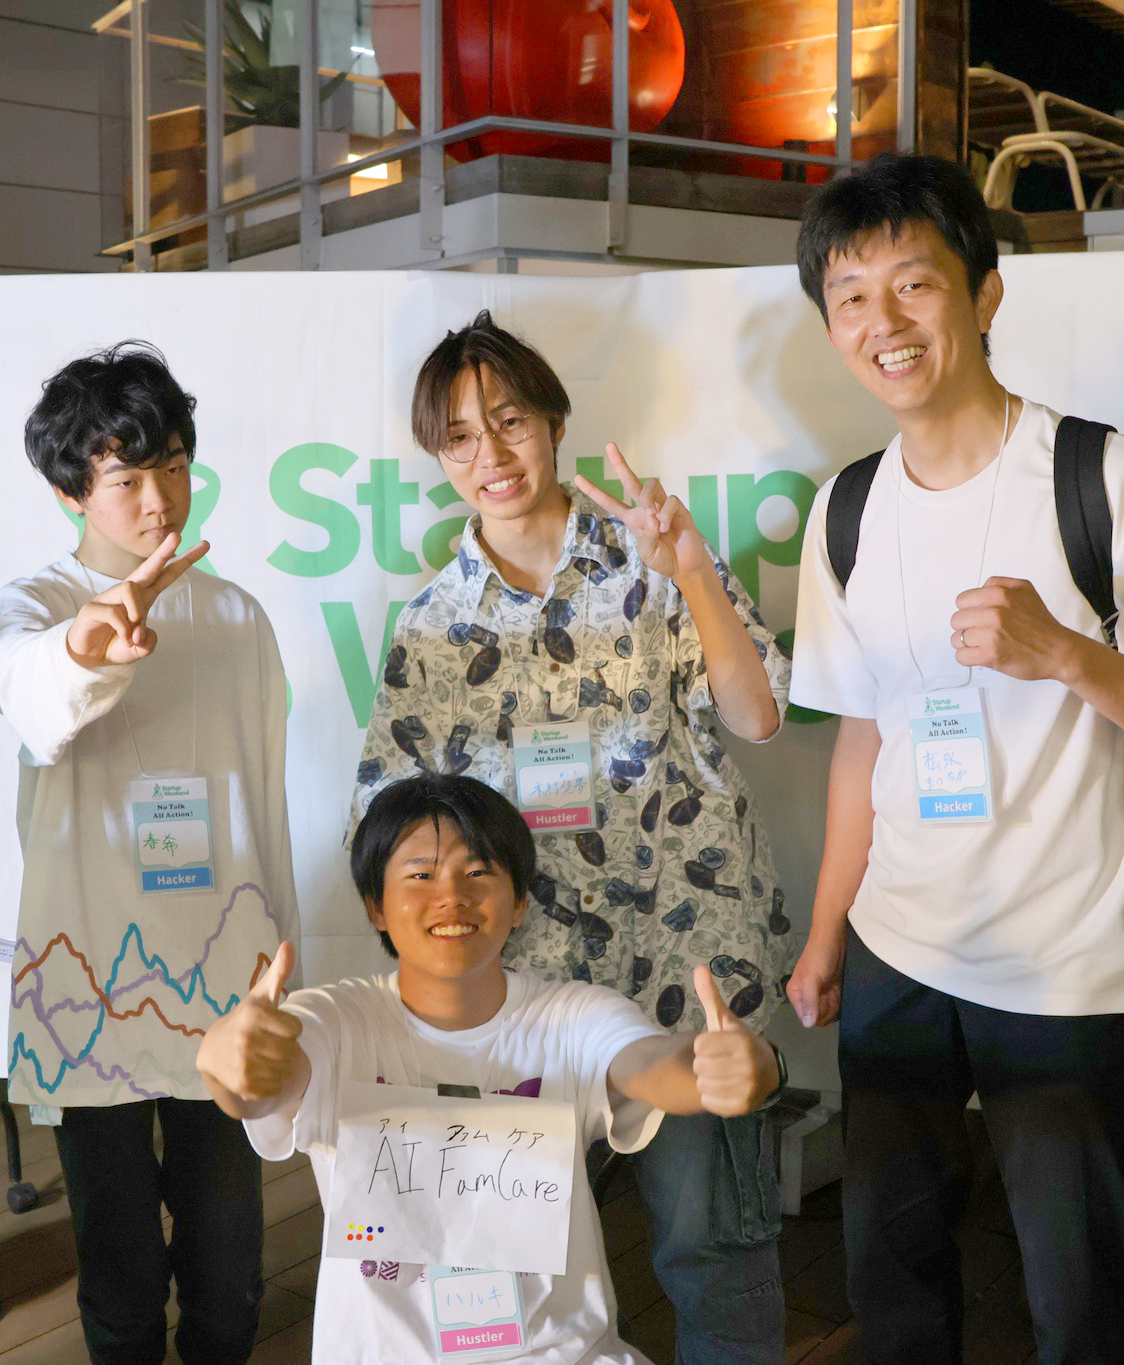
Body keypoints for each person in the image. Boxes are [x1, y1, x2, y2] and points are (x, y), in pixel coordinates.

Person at [784, 153, 1124, 1365]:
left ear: (984, 294)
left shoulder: (1105, 480)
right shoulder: (845, 510)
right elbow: (861, 742)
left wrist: (1066, 656)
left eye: (912, 284)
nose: (881, 322)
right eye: (849, 297)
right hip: (896, 947)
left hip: (1063, 958)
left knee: (1083, 1292)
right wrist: (828, 934)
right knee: (891, 1279)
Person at [350, 310, 793, 1363]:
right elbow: (391, 820)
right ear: (438, 456)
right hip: (522, 998)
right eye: (460, 436)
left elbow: (758, 716)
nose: (490, 455)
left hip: (685, 964)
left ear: (552, 423)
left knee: (713, 1252)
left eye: (508, 421)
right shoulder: (431, 622)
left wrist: (691, 570)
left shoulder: (652, 560)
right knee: (509, 1272)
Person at [199, 774, 785, 1363]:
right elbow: (265, 1081)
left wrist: (734, 1067)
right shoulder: (335, 1020)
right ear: (376, 906)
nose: (451, 896)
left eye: (477, 872)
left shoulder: (573, 1015)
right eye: (420, 875)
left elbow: (648, 1064)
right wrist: (229, 1064)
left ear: (520, 901)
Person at [0, 340, 298, 1365]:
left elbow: (264, 801)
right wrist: (91, 644)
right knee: (119, 1272)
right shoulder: (36, 606)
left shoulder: (238, 616)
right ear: (69, 491)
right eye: (126, 479)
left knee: (229, 1263)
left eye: (172, 466)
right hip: (91, 974)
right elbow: (31, 691)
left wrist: (281, 965)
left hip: (220, 975)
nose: (159, 498)